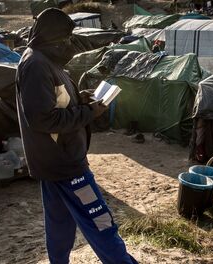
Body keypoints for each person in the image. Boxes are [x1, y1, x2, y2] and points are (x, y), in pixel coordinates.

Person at [16, 8, 137, 264]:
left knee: (59, 223)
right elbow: (41, 119)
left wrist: (80, 98)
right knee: (100, 220)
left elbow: (54, 102)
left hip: (52, 161)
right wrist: (88, 112)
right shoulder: (36, 64)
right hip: (65, 162)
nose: (68, 43)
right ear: (51, 36)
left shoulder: (45, 59)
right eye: (65, 38)